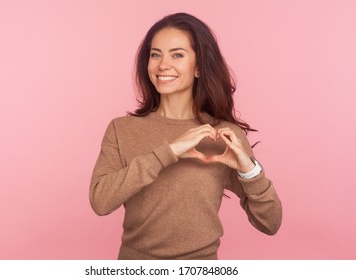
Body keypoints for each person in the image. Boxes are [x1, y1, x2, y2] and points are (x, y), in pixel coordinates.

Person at [89, 12, 282, 260]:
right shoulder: (122, 129)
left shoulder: (222, 136)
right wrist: (168, 152)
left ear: (199, 67)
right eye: (155, 54)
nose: (162, 65)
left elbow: (271, 223)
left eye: (177, 55)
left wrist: (249, 170)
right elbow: (100, 202)